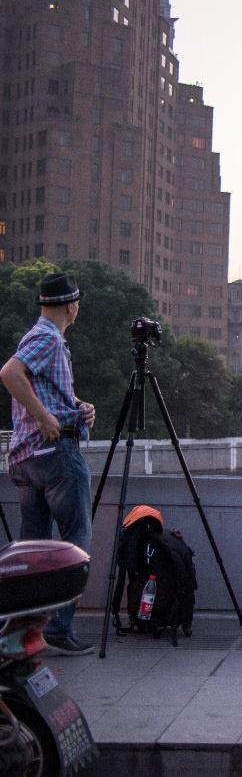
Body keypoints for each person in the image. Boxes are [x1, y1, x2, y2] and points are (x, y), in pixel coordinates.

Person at [1, 272, 96, 656]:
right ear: (71, 306)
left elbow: (44, 389)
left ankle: (24, 630)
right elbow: (9, 373)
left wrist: (78, 407)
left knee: (31, 553)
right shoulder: (47, 337)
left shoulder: (42, 337)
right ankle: (58, 626)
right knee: (75, 543)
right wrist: (43, 417)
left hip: (27, 460)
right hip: (54, 456)